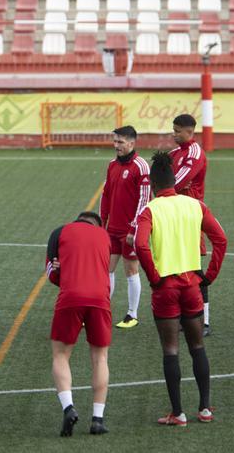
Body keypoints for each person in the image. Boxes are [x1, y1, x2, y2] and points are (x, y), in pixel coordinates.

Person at [135, 151, 227, 427]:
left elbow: (140, 245)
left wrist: (154, 276)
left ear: (152, 185)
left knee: (170, 350)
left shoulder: (150, 210)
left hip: (166, 288)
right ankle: (205, 409)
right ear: (175, 180)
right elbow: (220, 239)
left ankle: (178, 413)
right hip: (191, 286)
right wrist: (208, 275)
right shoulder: (195, 205)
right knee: (197, 346)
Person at [46, 211, 111, 436]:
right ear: (96, 224)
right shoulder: (105, 236)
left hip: (71, 296)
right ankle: (98, 419)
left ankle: (68, 407)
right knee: (100, 357)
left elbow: (51, 274)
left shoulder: (59, 232)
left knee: (61, 355)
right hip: (100, 299)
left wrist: (63, 271)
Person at [99, 125, 150, 329]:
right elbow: (106, 194)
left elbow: (144, 201)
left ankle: (132, 314)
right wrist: (102, 223)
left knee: (131, 270)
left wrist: (133, 229)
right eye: (115, 141)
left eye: (120, 142)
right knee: (106, 270)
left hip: (130, 231)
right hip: (112, 229)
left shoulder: (141, 166)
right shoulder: (112, 165)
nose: (116, 145)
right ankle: (102, 310)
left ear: (131, 143)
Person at [169, 114, 213, 334]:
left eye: (178, 131)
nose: (174, 134)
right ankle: (182, 316)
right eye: (173, 130)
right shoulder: (173, 154)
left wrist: (162, 191)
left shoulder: (195, 153)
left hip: (190, 215)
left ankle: (204, 320)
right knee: (176, 264)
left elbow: (177, 183)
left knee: (194, 267)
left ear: (190, 132)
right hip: (173, 214)